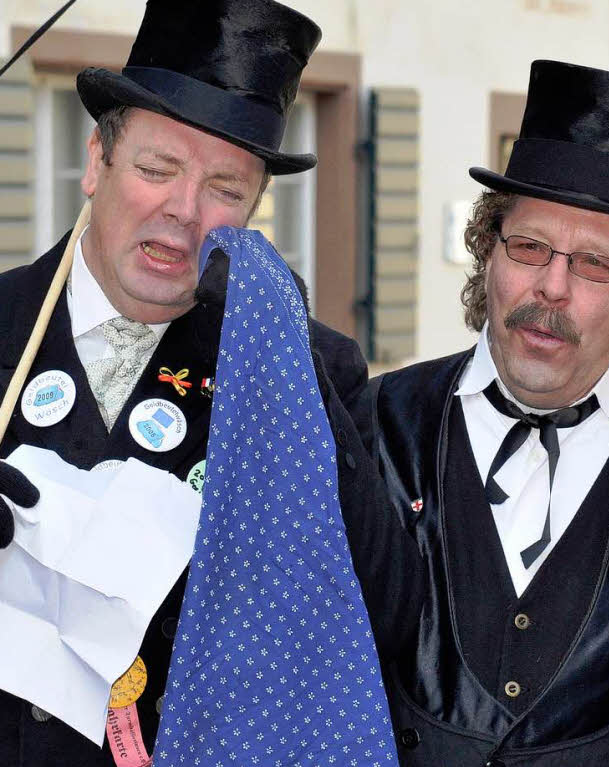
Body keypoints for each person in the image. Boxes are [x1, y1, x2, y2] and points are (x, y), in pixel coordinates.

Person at [0, 1, 418, 764]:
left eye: (225, 187)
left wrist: (287, 364)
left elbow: (383, 618)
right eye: (157, 169)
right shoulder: (2, 323)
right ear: (96, 162)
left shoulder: (305, 371)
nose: (184, 211)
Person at [355, 59, 609, 765]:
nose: (552, 286)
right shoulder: (376, 422)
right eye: (530, 247)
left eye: (595, 264)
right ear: (488, 254)